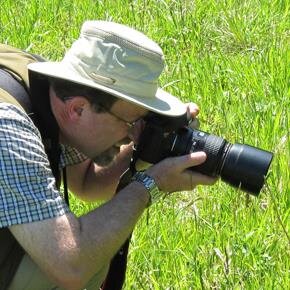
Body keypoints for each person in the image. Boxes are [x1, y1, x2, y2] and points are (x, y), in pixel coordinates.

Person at [0, 20, 216, 289]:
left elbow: (88, 182)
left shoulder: (56, 94)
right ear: (78, 110)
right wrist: (150, 185)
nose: (131, 135)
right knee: (88, 259)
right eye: (130, 122)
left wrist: (151, 148)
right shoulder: (7, 128)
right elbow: (71, 264)